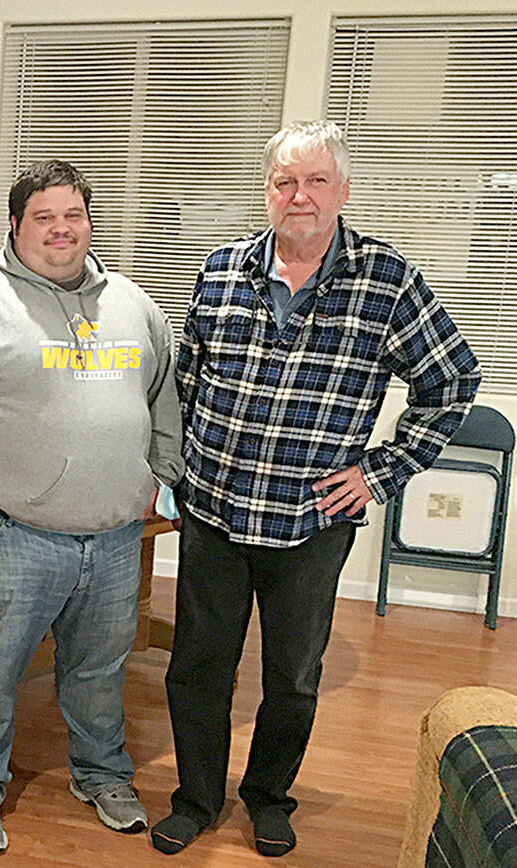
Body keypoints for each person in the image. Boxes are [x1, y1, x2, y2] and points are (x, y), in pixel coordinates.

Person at [152, 121, 481, 858]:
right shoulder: (221, 268)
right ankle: (196, 798)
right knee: (198, 667)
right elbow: (187, 373)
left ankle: (269, 797)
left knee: (294, 677)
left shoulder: (386, 281)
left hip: (310, 522)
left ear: (343, 190)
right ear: (267, 190)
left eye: (315, 181)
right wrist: (174, 470)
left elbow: (452, 379)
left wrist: (378, 472)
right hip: (215, 509)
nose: (298, 196)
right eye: (284, 182)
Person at [0, 159, 183, 855]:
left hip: (117, 535)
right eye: (44, 217)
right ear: (15, 225)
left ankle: (101, 772)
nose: (61, 230)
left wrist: (163, 475)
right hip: (10, 535)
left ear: (90, 222)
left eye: (74, 215)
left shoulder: (134, 305)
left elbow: (164, 401)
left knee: (99, 667)